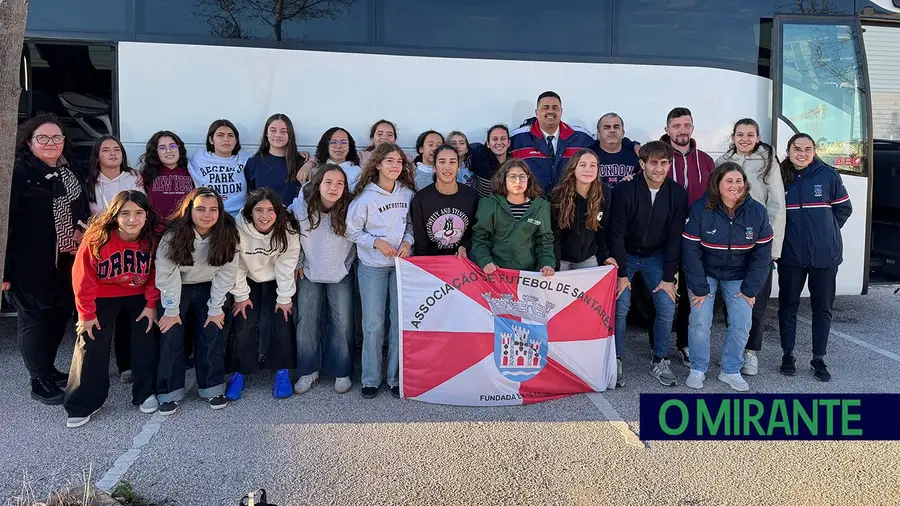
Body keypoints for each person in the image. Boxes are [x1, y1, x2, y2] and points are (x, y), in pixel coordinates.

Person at [5, 114, 90, 405]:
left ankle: (49, 369)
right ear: (29, 142)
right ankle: (37, 380)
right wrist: (4, 271)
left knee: (58, 316)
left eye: (57, 138)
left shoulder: (71, 170)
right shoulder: (18, 173)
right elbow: (7, 224)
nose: (51, 143)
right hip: (29, 262)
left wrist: (80, 230)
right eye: (43, 138)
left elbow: (80, 208)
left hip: (67, 259)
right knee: (33, 319)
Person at [65, 191, 160, 428]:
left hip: (138, 294)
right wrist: (86, 314)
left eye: (139, 213)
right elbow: (82, 278)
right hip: (102, 294)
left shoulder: (152, 238)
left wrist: (151, 305)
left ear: (147, 215)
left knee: (146, 338)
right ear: (114, 215)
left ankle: (145, 391)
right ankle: (83, 402)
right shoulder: (97, 238)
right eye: (125, 213)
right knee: (91, 340)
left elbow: (155, 275)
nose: (132, 219)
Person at [681, 162, 774, 391]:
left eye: (739, 181)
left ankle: (730, 370)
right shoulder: (700, 209)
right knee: (700, 320)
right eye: (728, 181)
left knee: (742, 322)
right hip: (706, 272)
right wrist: (700, 288)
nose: (735, 186)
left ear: (745, 183)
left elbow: (763, 255)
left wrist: (751, 288)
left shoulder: (757, 211)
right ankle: (698, 368)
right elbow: (690, 251)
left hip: (738, 275)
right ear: (717, 184)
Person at [608, 141, 688, 387]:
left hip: (656, 255)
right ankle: (616, 359)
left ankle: (660, 359)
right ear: (642, 164)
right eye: (654, 163)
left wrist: (668, 276)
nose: (659, 169)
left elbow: (675, 237)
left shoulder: (677, 194)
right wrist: (622, 273)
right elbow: (616, 235)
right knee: (621, 306)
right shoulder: (625, 191)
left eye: (664, 163)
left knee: (666, 305)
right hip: (627, 255)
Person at [154, 187, 240, 415]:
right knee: (171, 335)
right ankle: (169, 392)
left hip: (209, 286)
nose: (207, 215)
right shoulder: (173, 234)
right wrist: (171, 310)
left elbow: (226, 273)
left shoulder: (228, 233)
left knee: (211, 332)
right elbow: (165, 273)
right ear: (189, 210)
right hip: (177, 286)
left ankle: (212, 387)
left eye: (213, 209)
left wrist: (216, 308)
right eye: (200, 209)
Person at [777, 133, 852, 382]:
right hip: (791, 256)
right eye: (797, 148)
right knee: (788, 306)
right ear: (788, 150)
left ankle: (818, 358)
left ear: (814, 151)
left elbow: (844, 209)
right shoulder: (779, 176)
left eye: (808, 149)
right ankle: (788, 354)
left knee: (822, 308)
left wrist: (826, 233)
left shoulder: (828, 175)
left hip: (824, 257)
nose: (802, 153)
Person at [715, 118, 786, 375]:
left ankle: (751, 352)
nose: (745, 139)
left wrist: (772, 250)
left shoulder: (768, 161)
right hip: (727, 244)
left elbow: (777, 205)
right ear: (732, 136)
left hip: (758, 244)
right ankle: (732, 351)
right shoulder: (721, 162)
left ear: (757, 137)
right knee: (729, 302)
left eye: (750, 134)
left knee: (755, 300)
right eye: (740, 134)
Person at [346, 142, 416, 400]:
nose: (395, 166)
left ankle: (396, 378)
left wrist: (408, 242)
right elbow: (351, 230)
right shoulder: (365, 197)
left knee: (399, 323)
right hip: (373, 267)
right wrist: (375, 242)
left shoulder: (407, 193)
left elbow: (411, 225)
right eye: (389, 161)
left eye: (399, 161)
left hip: (400, 267)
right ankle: (371, 378)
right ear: (377, 165)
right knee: (373, 324)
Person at [226, 189, 301, 400]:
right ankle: (239, 373)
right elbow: (235, 264)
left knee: (283, 320)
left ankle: (282, 371)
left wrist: (284, 298)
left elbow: (287, 265)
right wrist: (241, 295)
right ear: (250, 212)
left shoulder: (287, 229)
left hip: (277, 276)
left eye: (270, 210)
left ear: (278, 212)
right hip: (247, 277)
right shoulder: (236, 228)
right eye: (259, 210)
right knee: (244, 321)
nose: (264, 215)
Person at [288, 165, 356, 395]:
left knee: (343, 323)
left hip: (340, 273)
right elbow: (290, 234)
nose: (334, 187)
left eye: (339, 183)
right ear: (318, 184)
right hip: (308, 272)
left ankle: (341, 370)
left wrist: (348, 265)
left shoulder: (351, 209)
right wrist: (297, 262)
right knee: (306, 321)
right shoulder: (300, 206)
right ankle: (308, 370)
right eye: (328, 182)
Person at [86, 135, 144, 384]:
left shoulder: (134, 178)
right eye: (106, 150)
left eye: (117, 149)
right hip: (103, 252)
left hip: (131, 250)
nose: (112, 153)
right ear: (97, 156)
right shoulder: (89, 183)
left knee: (131, 314)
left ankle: (128, 365)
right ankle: (101, 372)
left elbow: (142, 210)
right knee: (107, 314)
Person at [661, 107, 715, 368]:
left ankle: (683, 343)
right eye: (676, 125)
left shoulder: (705, 161)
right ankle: (657, 346)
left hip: (696, 240)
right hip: (661, 238)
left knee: (690, 295)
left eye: (687, 125)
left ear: (692, 128)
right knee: (659, 293)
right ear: (667, 129)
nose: (682, 130)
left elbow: (713, 199)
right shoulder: (657, 156)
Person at [471, 159, 555, 276]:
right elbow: (480, 238)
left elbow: (545, 241)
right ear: (504, 179)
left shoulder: (540, 207)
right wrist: (484, 260)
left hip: (527, 274)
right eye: (512, 177)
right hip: (495, 272)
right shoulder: (489, 205)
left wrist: (547, 263)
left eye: (522, 177)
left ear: (528, 179)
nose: (517, 181)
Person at [509, 91, 594, 192]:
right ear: (537, 113)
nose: (550, 111)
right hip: (532, 204)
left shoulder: (581, 137)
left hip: (570, 202)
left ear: (561, 111)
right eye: (545, 108)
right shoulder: (517, 138)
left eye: (555, 108)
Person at [549, 149, 615, 271]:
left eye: (593, 165)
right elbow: (554, 235)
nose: (588, 169)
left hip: (588, 258)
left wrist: (605, 255)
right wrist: (555, 266)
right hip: (561, 259)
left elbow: (601, 229)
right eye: (583, 165)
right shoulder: (558, 195)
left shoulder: (604, 193)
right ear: (573, 167)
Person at [410, 144, 478, 257]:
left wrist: (464, 245)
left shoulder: (471, 196)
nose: (447, 167)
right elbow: (420, 240)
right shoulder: (420, 199)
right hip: (431, 265)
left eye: (452, 162)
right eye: (442, 162)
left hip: (461, 262)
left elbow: (474, 231)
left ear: (459, 166)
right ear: (434, 166)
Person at [189, 119, 250, 216]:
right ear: (211, 140)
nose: (226, 139)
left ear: (236, 140)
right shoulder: (198, 159)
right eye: (220, 135)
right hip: (209, 216)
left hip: (239, 217)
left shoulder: (245, 159)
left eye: (230, 135)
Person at [245, 113, 307, 207]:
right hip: (264, 219)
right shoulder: (253, 162)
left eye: (283, 131)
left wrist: (311, 162)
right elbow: (248, 196)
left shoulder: (301, 162)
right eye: (273, 130)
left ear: (290, 134)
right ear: (266, 133)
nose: (278, 135)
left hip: (293, 219)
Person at [139, 130, 194, 220]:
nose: (168, 151)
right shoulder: (146, 175)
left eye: (172, 146)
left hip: (185, 229)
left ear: (179, 148)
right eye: (162, 148)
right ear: (155, 152)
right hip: (156, 230)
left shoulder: (192, 171)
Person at [297, 127, 364, 189]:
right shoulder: (315, 170)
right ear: (326, 146)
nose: (338, 146)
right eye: (333, 142)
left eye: (343, 142)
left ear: (349, 146)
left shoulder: (358, 172)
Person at [590, 113, 642, 189]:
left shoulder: (635, 154)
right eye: (606, 127)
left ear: (623, 132)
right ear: (598, 134)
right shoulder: (589, 155)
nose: (612, 130)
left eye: (616, 127)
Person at [469, 124, 510, 199]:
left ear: (508, 143)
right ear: (488, 144)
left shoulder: (515, 164)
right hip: (484, 206)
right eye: (495, 139)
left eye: (503, 138)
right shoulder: (478, 161)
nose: (499, 142)